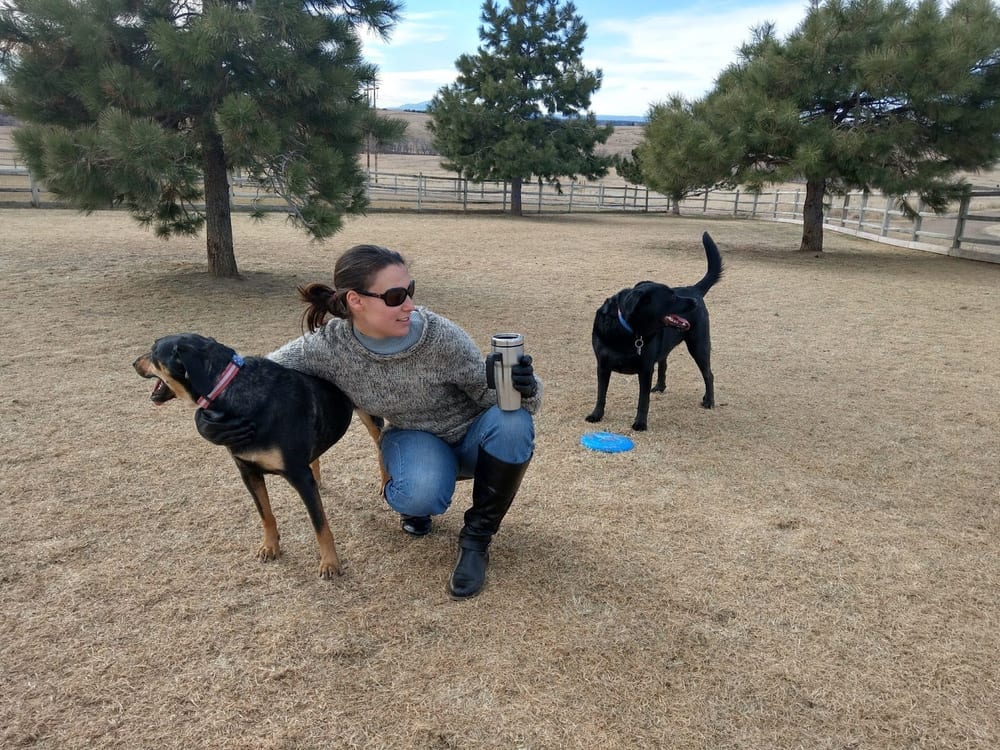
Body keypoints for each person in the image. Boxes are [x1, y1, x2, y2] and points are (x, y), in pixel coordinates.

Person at [196, 244, 541, 599]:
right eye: (394, 296)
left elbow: (493, 401)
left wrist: (524, 388)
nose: (408, 304)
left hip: (475, 440)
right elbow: (257, 373)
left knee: (513, 422)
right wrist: (207, 421)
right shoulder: (328, 347)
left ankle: (476, 540)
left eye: (410, 291)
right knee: (419, 493)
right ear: (356, 301)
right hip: (414, 439)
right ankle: (418, 504)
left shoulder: (439, 336)